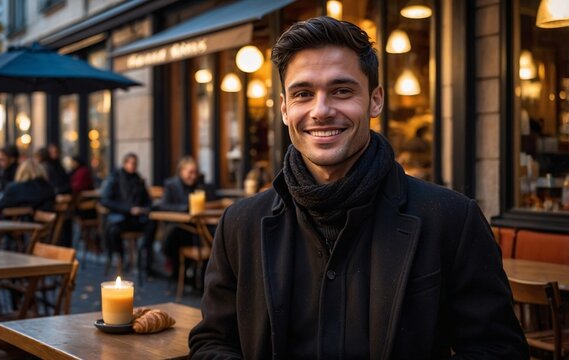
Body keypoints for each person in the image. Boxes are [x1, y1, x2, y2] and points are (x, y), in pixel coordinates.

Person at [189, 17, 528, 358]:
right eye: (303, 94)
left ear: (375, 101)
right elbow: (212, 342)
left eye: (342, 91)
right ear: (284, 109)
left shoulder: (452, 219)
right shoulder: (239, 224)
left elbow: (498, 349)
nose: (321, 111)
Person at [158, 156, 212, 278]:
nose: (193, 176)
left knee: (212, 235)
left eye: (195, 172)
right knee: (176, 233)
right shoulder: (171, 185)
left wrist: (202, 184)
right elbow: (164, 206)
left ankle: (203, 276)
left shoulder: (198, 185)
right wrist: (185, 208)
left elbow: (209, 201)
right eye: (190, 172)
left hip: (197, 227)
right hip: (179, 227)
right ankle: (179, 272)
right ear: (181, 171)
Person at [101, 153, 154, 273]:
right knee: (113, 231)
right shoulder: (115, 178)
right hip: (120, 217)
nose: (133, 166)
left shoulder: (138, 179)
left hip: (136, 219)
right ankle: (120, 256)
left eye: (135, 164)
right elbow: (105, 200)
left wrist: (143, 209)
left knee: (151, 224)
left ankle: (144, 257)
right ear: (125, 163)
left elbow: (147, 200)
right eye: (131, 163)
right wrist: (128, 209)